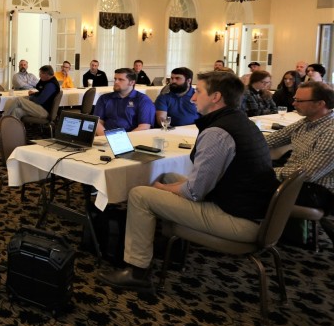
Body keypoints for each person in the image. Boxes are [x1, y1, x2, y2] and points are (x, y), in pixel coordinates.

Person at [98, 72, 278, 292]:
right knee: (167, 177)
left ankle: (137, 272)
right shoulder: (239, 121)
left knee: (139, 195)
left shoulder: (218, 132)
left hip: (240, 221)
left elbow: (194, 192)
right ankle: (168, 251)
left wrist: (162, 190)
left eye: (198, 92)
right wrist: (166, 186)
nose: (193, 98)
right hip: (253, 210)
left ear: (216, 97)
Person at [266, 81, 334, 212]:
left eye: (299, 101)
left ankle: (264, 229)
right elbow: (274, 139)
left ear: (320, 104)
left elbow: (307, 174)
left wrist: (270, 172)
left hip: (319, 190)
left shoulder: (330, 132)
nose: (294, 104)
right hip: (297, 180)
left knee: (249, 186)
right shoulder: (306, 122)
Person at [93, 68, 155, 135]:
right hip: (106, 138)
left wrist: (123, 140)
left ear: (132, 82)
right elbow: (97, 123)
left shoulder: (143, 100)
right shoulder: (104, 98)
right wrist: (107, 138)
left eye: (120, 79)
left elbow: (144, 127)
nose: (116, 82)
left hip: (131, 139)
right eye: (115, 79)